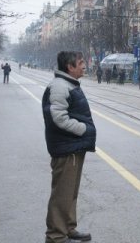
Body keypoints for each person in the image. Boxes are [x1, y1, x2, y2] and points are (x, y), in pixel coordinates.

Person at [42, 51, 96, 243]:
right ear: (69, 67)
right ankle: (56, 235)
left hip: (73, 147)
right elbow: (57, 117)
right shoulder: (59, 86)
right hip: (67, 148)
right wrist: (83, 130)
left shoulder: (68, 84)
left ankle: (68, 228)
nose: (84, 66)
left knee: (70, 192)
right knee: (62, 194)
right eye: (80, 63)